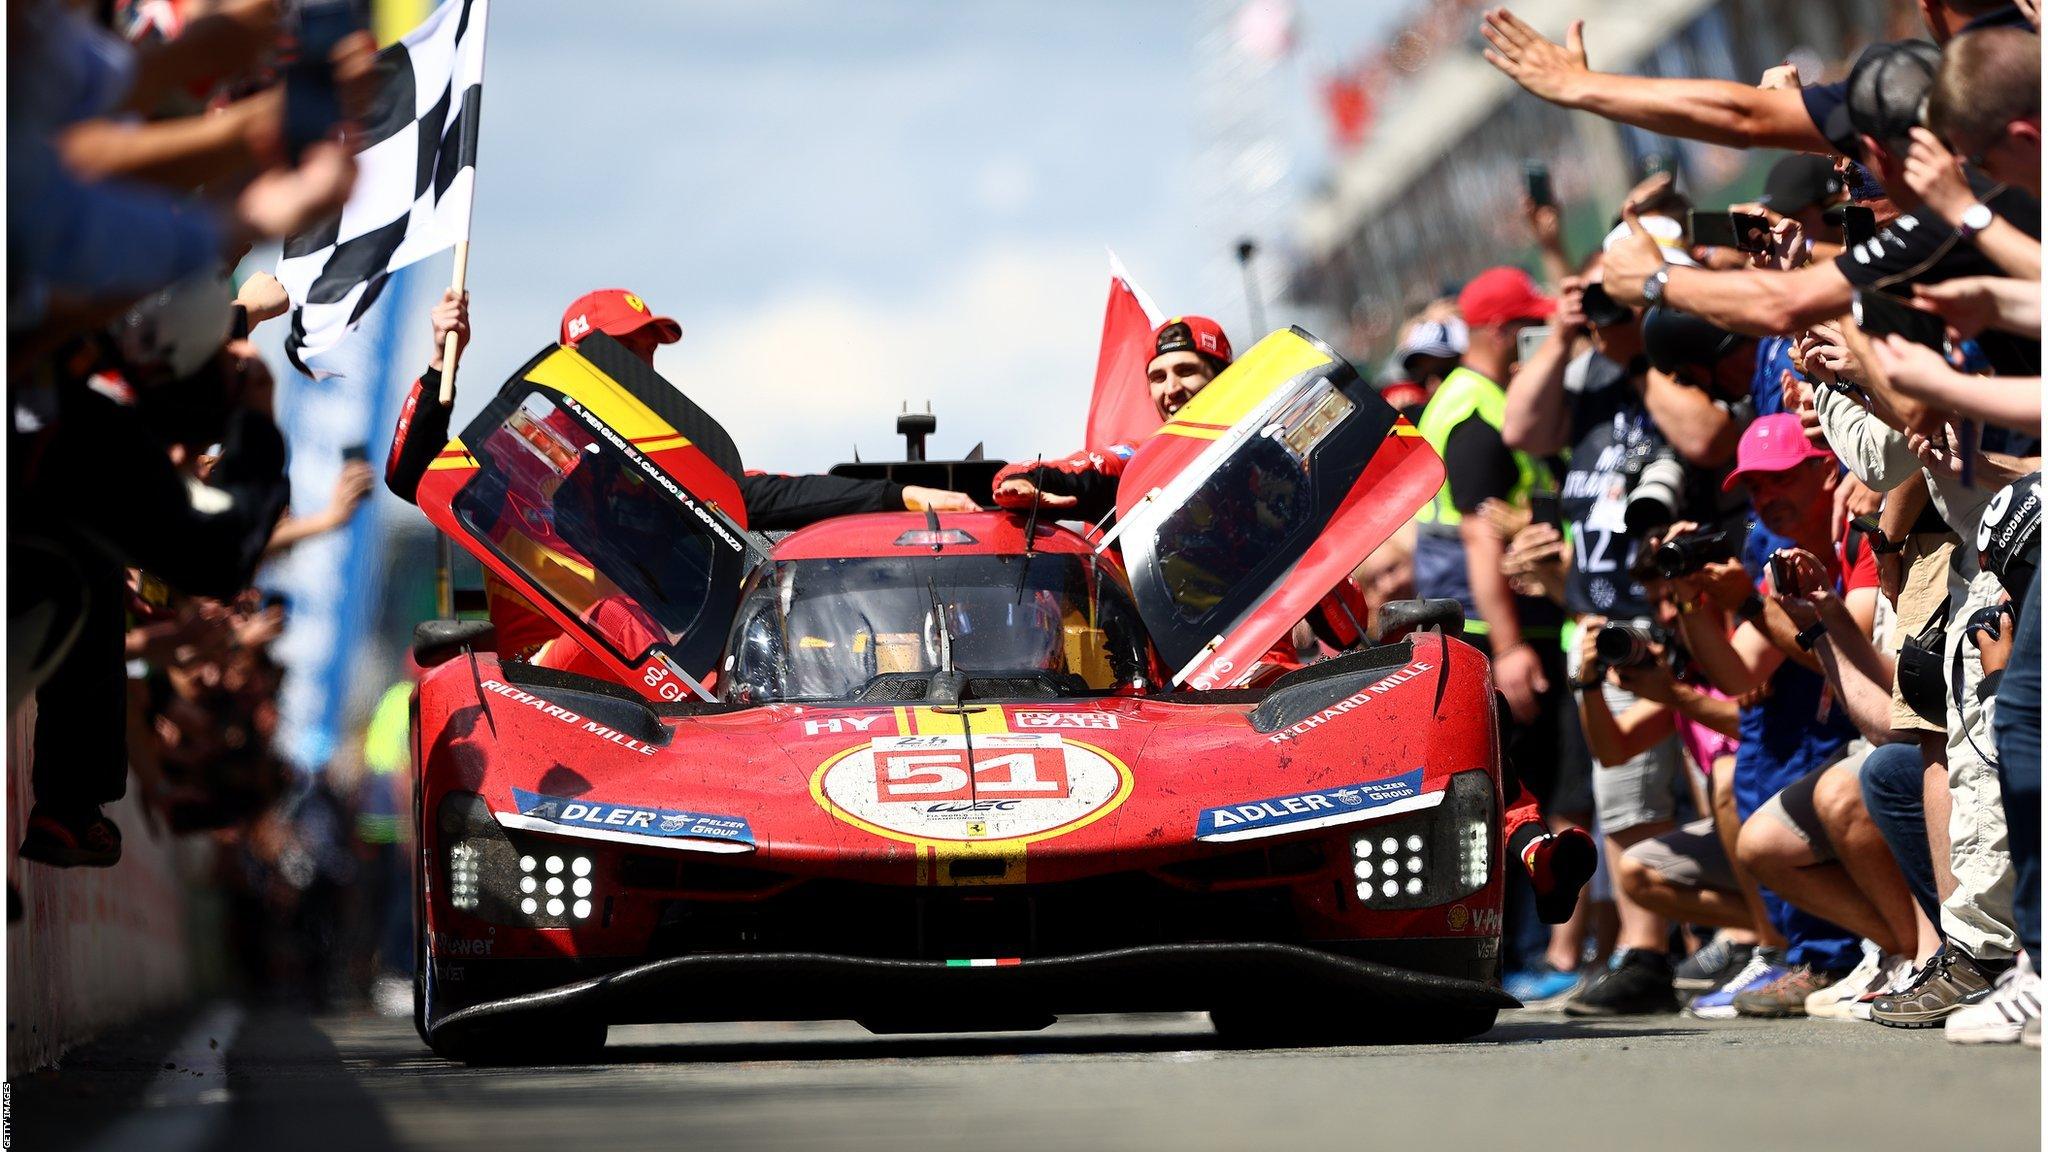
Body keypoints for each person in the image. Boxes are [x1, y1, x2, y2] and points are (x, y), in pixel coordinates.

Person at [382, 287, 977, 661]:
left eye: (649, 353)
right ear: (581, 358)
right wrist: (440, 361)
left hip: (658, 679)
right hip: (544, 674)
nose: (646, 368)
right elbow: (413, 476)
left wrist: (900, 493)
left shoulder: (658, 460)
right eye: (629, 352)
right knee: (620, 621)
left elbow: (761, 497)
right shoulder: (522, 449)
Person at [1668, 416, 1879, 1017]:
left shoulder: (1857, 534)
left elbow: (1847, 659)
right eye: (1754, 487)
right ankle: (1812, 959)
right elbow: (1739, 676)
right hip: (1798, 747)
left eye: (1780, 480)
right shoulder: (1769, 548)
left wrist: (1749, 605)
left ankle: (1882, 955)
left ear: (1826, 469)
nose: (1765, 499)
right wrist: (1692, 602)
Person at [989, 316, 1235, 520]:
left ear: (1223, 375)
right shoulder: (1139, 461)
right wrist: (1023, 480)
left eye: (1186, 371)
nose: (1171, 389)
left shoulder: (1270, 431)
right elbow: (1083, 467)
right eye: (1158, 378)